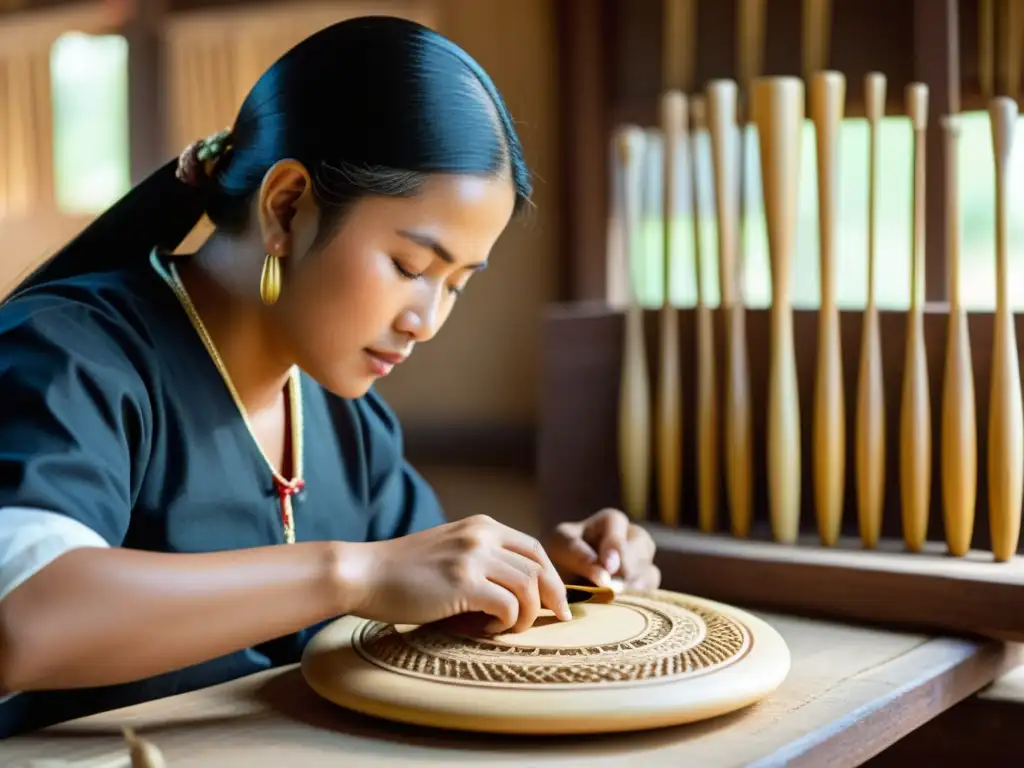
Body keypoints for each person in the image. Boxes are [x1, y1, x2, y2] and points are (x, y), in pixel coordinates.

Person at [0, 16, 659, 737]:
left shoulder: (350, 423)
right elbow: (24, 617)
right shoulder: (76, 352)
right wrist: (354, 575)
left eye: (456, 284)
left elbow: (425, 590)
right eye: (411, 267)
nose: (426, 320)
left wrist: (545, 577)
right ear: (286, 206)